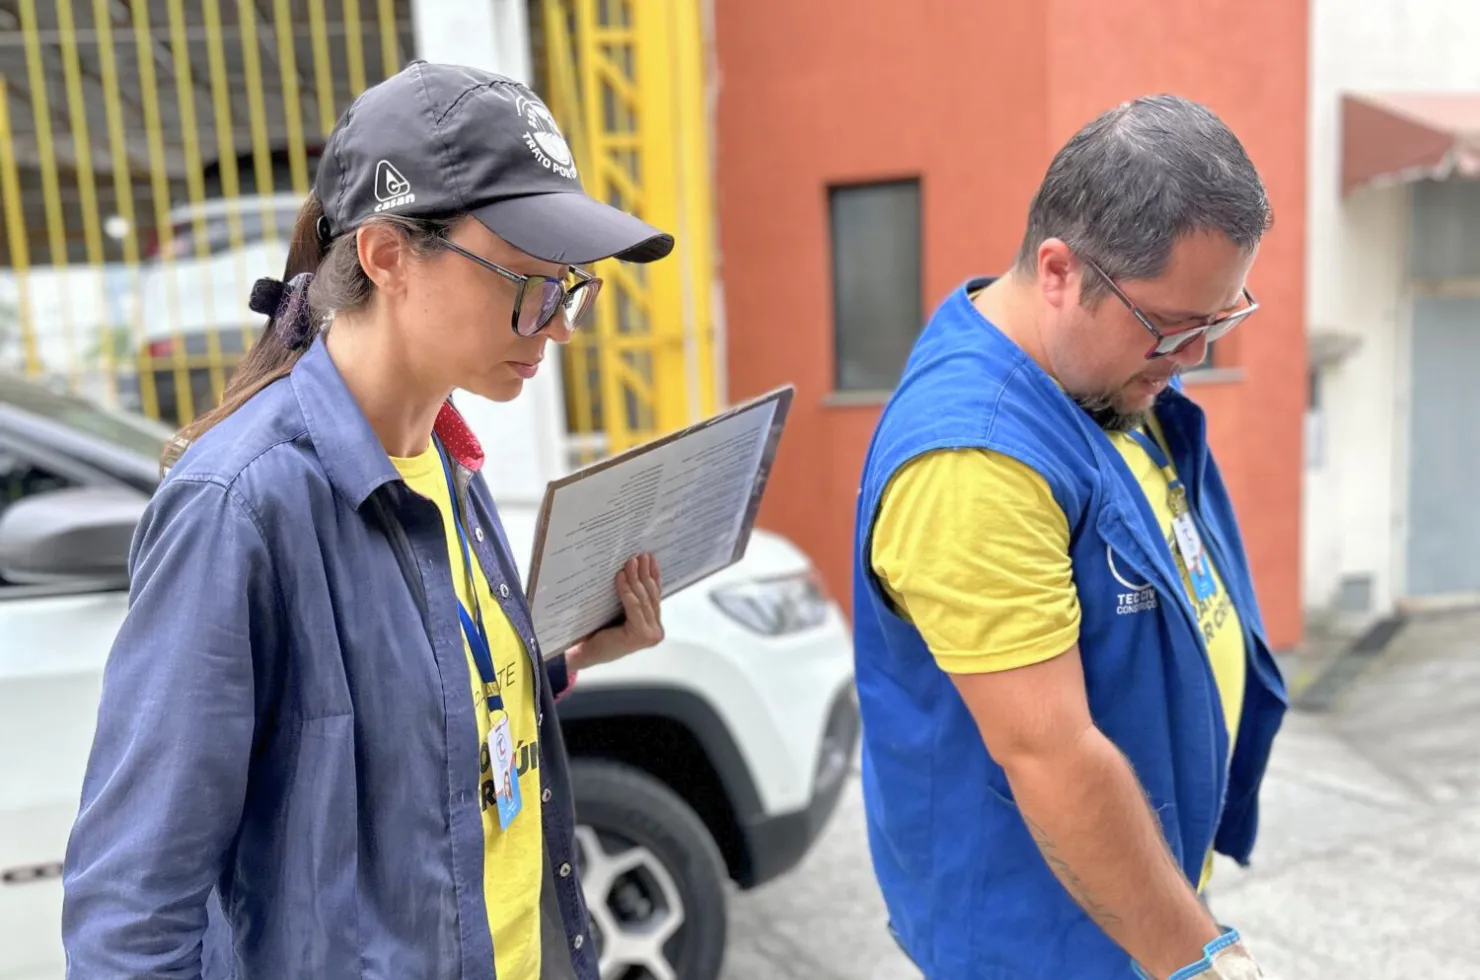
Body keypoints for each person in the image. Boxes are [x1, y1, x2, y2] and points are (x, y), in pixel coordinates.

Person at [61, 61, 673, 980]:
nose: (560, 325)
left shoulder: (447, 458)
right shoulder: (240, 506)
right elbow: (131, 914)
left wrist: (570, 654)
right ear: (386, 255)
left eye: (572, 286)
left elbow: (419, 699)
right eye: (530, 284)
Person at [852, 95, 1289, 979]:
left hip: (1125, 910)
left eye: (1221, 320)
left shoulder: (1100, 375)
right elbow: (1050, 752)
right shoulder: (975, 461)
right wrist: (1195, 954)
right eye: (1172, 326)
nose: (1193, 357)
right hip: (1042, 944)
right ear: (1058, 271)